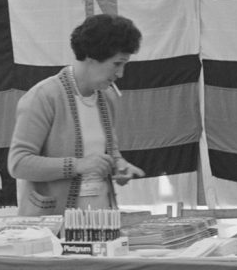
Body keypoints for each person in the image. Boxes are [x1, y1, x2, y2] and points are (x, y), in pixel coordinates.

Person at [8, 13, 145, 216]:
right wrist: (78, 165)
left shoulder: (107, 96)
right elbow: (18, 164)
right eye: (117, 64)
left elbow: (109, 150)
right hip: (53, 226)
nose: (121, 74)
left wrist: (119, 164)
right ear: (91, 58)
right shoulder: (43, 96)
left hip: (99, 219)